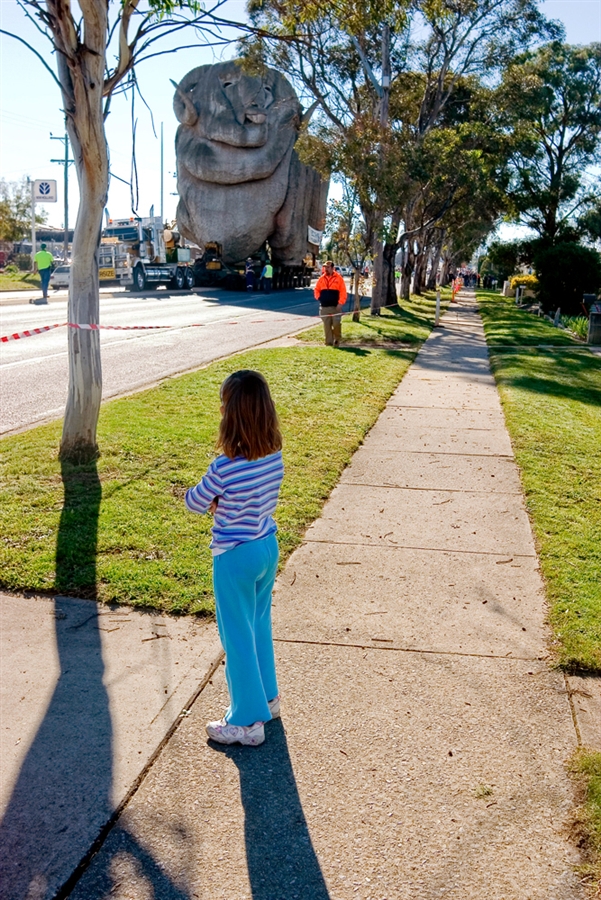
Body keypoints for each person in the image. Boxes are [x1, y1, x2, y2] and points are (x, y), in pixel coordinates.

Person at [185, 370, 284, 747]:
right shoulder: (274, 455)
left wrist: (211, 499)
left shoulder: (224, 466)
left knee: (237, 636)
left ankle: (246, 721)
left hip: (234, 557)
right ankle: (268, 698)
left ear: (231, 415)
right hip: (266, 547)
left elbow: (195, 501)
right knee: (258, 626)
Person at [314, 259, 347, 347]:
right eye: (325, 267)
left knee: (336, 324)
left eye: (328, 267)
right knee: (327, 326)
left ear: (333, 268)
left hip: (335, 307)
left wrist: (340, 303)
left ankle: (337, 340)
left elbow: (343, 292)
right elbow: (316, 290)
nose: (326, 269)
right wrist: (319, 298)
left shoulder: (339, 278)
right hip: (324, 307)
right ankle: (328, 343)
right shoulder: (321, 279)